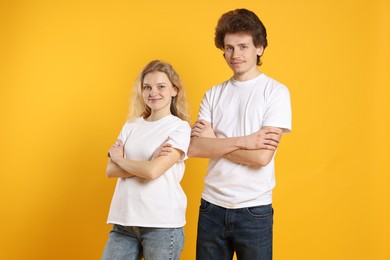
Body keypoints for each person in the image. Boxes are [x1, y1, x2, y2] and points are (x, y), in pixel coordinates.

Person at [188, 9, 292, 260]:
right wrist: (245, 142)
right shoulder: (213, 94)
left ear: (260, 48)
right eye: (229, 48)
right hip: (211, 207)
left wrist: (215, 141)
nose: (235, 55)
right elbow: (194, 149)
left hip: (254, 209)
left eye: (243, 46)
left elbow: (261, 158)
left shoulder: (275, 92)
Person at [102, 60, 191, 260]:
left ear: (174, 90)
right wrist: (149, 161)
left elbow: (153, 172)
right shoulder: (131, 125)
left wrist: (122, 160)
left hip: (161, 224)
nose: (153, 93)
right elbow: (110, 170)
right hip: (124, 222)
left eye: (161, 87)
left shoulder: (180, 128)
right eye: (147, 87)